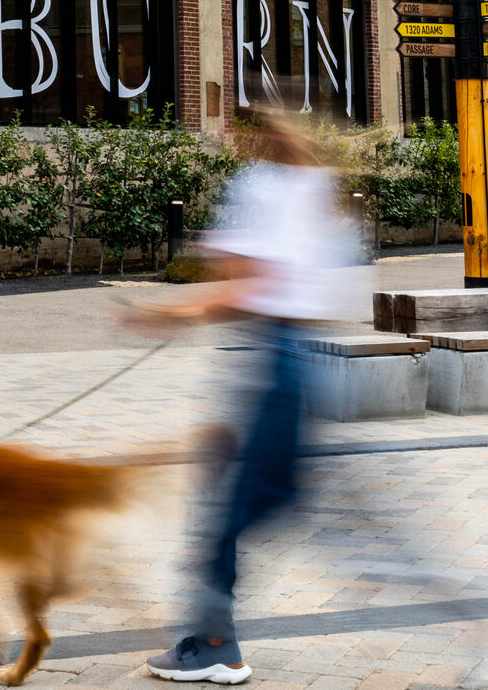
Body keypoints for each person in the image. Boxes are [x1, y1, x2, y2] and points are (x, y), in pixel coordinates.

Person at [132, 116, 358, 685]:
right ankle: (215, 636)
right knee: (258, 503)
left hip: (277, 362)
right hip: (311, 361)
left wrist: (170, 314)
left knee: (230, 515)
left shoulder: (261, 186)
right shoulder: (319, 188)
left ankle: (214, 644)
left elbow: (244, 285)